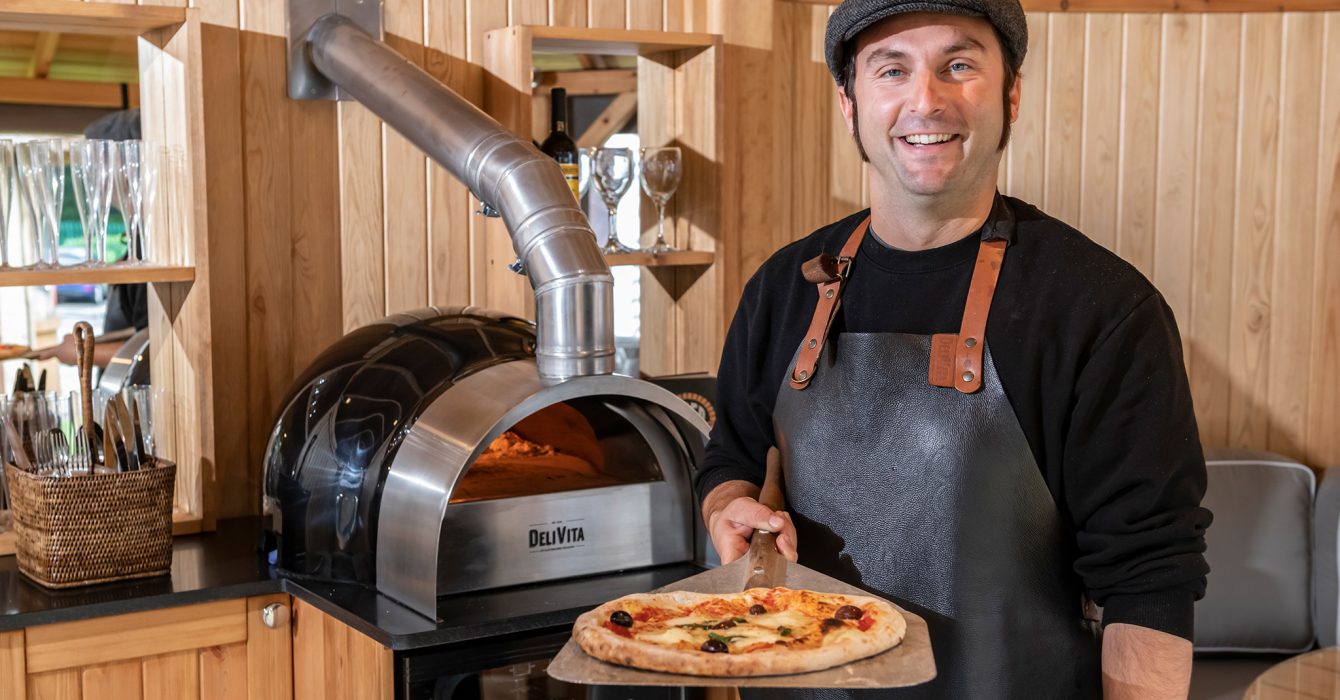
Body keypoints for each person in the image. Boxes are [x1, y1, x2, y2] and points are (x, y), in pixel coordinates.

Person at [694, 1, 1211, 698]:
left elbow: (1149, 579)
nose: (925, 101)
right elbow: (733, 456)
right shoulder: (784, 288)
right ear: (849, 103)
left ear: (1011, 94)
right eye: (892, 69)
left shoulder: (1103, 308)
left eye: (958, 65)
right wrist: (727, 504)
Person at [35, 109, 147, 371]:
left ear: (127, 165)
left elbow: (149, 349)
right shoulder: (137, 239)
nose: (89, 177)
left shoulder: (148, 244)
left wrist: (81, 352)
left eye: (97, 163)